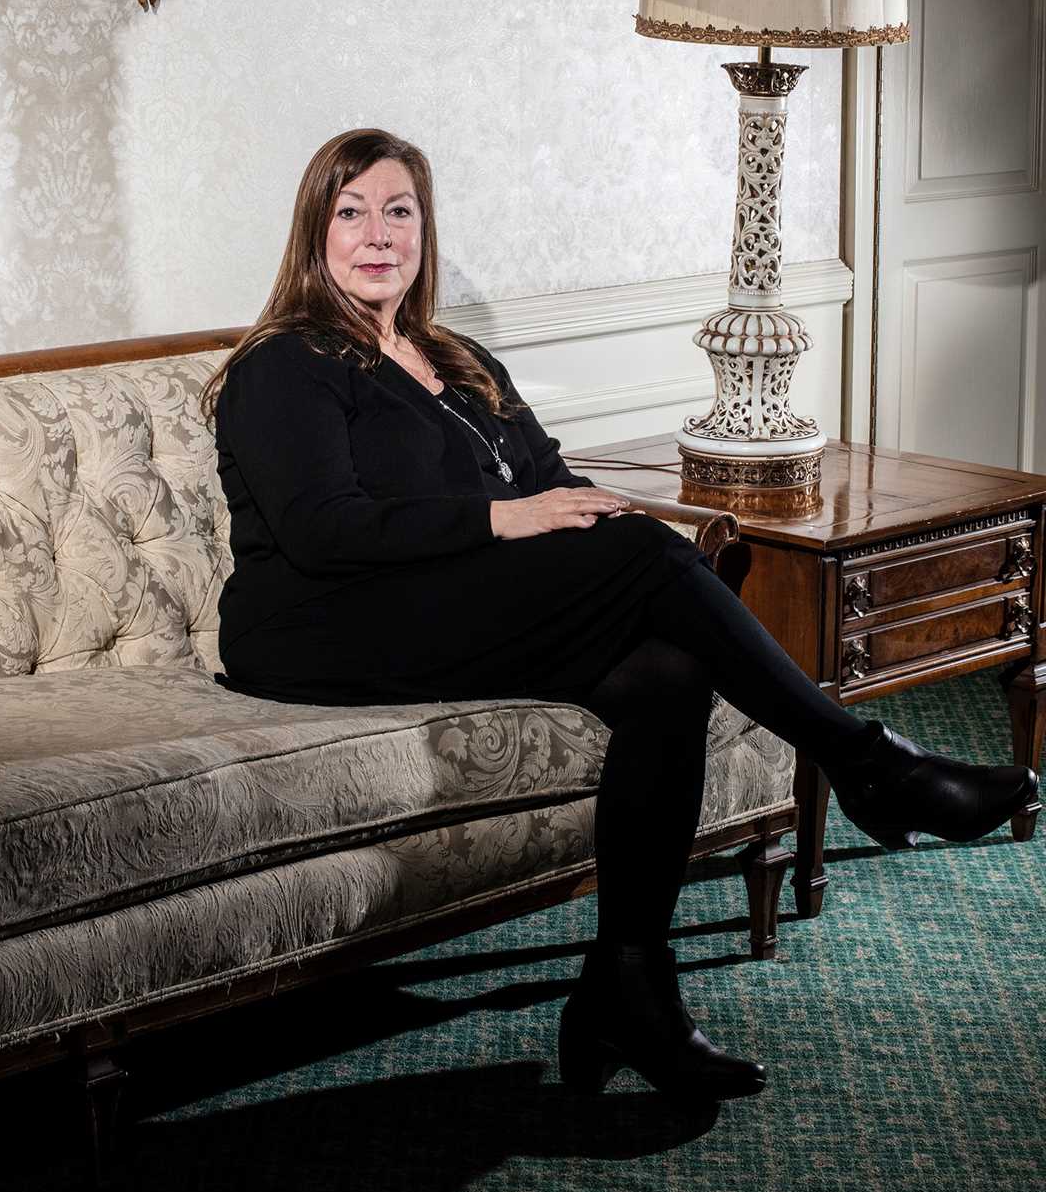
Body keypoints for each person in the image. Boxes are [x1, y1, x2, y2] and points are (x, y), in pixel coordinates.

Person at [202, 127, 1037, 1104]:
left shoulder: (450, 357)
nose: (377, 235)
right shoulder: (285, 365)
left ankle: (628, 985)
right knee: (646, 561)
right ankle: (866, 763)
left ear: (425, 229)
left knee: (664, 673)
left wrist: (590, 513)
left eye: (399, 211)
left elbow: (551, 482)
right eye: (351, 213)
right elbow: (322, 532)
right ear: (314, 231)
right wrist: (520, 519)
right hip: (315, 623)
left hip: (433, 601)